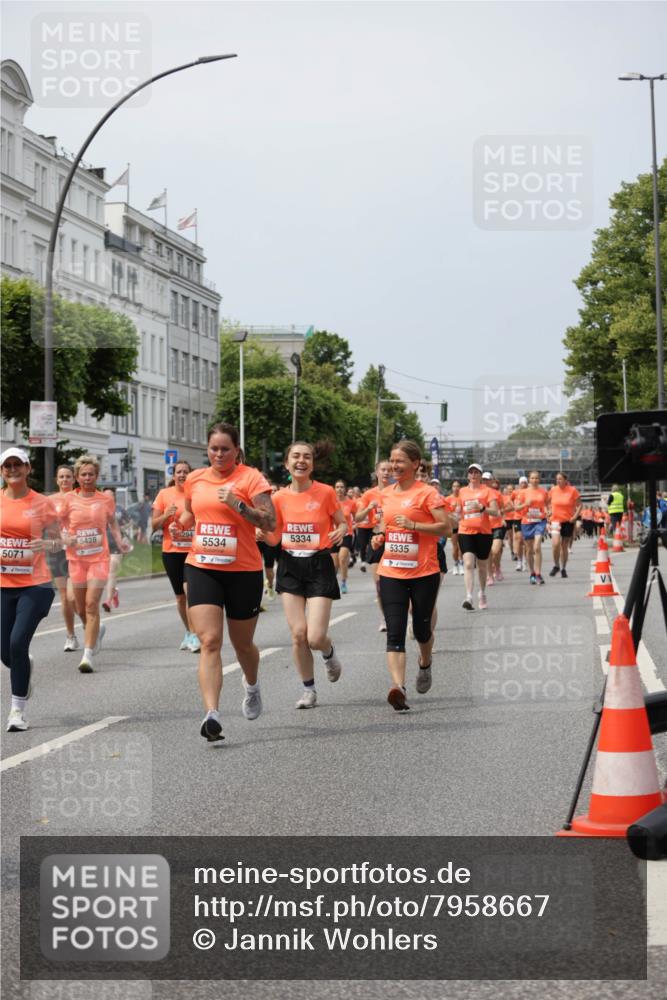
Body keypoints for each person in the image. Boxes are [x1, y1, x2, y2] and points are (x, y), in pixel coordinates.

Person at [178, 423, 275, 742]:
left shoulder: (250, 478)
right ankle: (212, 714)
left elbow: (270, 521)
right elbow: (191, 512)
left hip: (243, 569)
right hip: (202, 566)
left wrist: (238, 505)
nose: (219, 454)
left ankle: (252, 685)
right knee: (209, 640)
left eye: (225, 449)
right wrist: (182, 521)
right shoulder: (195, 479)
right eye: (213, 449)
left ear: (236, 451)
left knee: (242, 644)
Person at [258, 442, 346, 709]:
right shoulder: (279, 498)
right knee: (298, 634)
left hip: (318, 564)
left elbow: (342, 521)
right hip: (290, 564)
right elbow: (275, 539)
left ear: (312, 464)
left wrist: (341, 530)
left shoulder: (326, 493)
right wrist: (263, 535)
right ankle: (309, 690)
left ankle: (328, 653)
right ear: (286, 463)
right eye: (295, 456)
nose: (301, 461)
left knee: (315, 637)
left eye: (307, 457)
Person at [372, 439, 450, 711]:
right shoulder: (385, 493)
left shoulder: (427, 494)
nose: (394, 466)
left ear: (415, 464)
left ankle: (425, 664)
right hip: (391, 569)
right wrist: (380, 536)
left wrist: (415, 525)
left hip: (424, 571)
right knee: (394, 631)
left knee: (420, 630)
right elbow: (386, 522)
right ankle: (398, 687)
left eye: (400, 461)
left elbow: (446, 528)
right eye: (392, 461)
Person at [1, 448, 59, 732]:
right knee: (6, 652)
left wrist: (47, 545)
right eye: (7, 466)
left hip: (35, 586)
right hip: (3, 585)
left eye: (17, 465)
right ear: (1, 471)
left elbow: (62, 539)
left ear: (27, 468)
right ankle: (23, 666)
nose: (12, 470)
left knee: (17, 643)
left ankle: (17, 711)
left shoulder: (41, 503)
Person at [60, 455, 131, 673]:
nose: (87, 478)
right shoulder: (68, 500)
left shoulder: (105, 499)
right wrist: (64, 537)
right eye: (83, 474)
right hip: (76, 559)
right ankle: (96, 628)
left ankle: (88, 655)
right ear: (77, 477)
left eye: (91, 474)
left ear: (97, 476)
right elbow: (60, 526)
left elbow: (112, 522)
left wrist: (120, 540)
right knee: (76, 603)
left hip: (99, 558)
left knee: (91, 604)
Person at [152, 461, 200, 652]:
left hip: (193, 552)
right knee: (180, 597)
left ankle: (195, 635)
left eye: (185, 472)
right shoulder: (164, 495)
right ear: (173, 476)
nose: (182, 475)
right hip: (171, 552)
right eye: (178, 472)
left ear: (190, 475)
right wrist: (166, 516)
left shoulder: (196, 494)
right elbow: (154, 524)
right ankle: (188, 632)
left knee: (191, 593)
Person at [356, 460, 393, 628]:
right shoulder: (369, 495)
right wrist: (368, 508)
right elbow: (357, 518)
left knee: (399, 583)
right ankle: (384, 618)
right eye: (383, 470)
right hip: (376, 539)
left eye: (389, 470)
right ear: (377, 473)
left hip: (395, 539)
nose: (386, 473)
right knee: (379, 585)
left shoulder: (397, 492)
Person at [457, 463, 499, 610]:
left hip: (484, 532)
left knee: (482, 566)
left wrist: (482, 508)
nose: (473, 475)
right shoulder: (462, 491)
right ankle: (468, 596)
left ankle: (481, 592)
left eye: (476, 473)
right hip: (465, 531)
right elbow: (458, 510)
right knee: (468, 563)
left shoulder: (488, 491)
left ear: (481, 475)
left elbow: (496, 512)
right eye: (471, 472)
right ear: (468, 475)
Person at [48, 465, 80, 651]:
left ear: (73, 479)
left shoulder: (80, 498)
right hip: (57, 550)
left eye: (68, 476)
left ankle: (88, 622)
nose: (65, 480)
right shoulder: (49, 500)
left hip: (77, 550)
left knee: (75, 596)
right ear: (57, 480)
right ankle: (70, 636)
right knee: (64, 596)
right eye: (61, 477)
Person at [101, 487, 132, 613]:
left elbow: (130, 522)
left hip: (117, 545)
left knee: (111, 572)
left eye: (111, 495)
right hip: (101, 546)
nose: (108, 497)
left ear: (114, 496)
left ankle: (108, 601)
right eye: (106, 495)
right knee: (104, 575)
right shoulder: (98, 510)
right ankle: (114, 592)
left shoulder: (119, 509)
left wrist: (122, 527)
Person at [516, 470, 549, 584]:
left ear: (539, 480)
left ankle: (538, 573)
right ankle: (532, 573)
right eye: (532, 478)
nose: (535, 480)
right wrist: (526, 504)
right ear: (529, 480)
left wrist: (548, 511)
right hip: (527, 522)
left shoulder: (543, 492)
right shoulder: (523, 492)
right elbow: (516, 508)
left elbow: (547, 505)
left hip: (540, 521)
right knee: (529, 550)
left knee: (537, 547)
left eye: (537, 478)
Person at [547, 472, 581, 578]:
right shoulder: (553, 490)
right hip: (555, 521)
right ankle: (556, 565)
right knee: (555, 544)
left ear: (566, 480)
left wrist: (575, 517)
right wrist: (548, 512)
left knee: (564, 546)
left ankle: (563, 568)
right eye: (557, 479)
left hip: (568, 521)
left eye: (560, 479)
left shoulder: (572, 490)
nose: (558, 481)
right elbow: (546, 502)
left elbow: (580, 505)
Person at [334, 479, 356, 594]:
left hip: (347, 534)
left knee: (342, 558)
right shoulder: (331, 502)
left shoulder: (351, 503)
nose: (339, 489)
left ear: (345, 489)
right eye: (337, 487)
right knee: (334, 563)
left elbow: (357, 517)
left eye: (342, 487)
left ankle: (343, 582)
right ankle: (333, 583)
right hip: (333, 535)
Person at [444, 480, 463, 574]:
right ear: (452, 488)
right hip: (454, 526)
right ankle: (456, 564)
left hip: (463, 526)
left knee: (461, 546)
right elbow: (446, 513)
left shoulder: (463, 498)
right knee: (455, 547)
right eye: (454, 486)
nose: (456, 488)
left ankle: (461, 563)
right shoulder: (448, 499)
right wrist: (453, 517)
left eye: (458, 486)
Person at [512, 475, 528, 570]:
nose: (523, 484)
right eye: (522, 482)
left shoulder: (530, 492)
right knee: (518, 539)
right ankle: (519, 561)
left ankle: (525, 559)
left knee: (525, 541)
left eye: (525, 482)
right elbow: (509, 501)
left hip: (527, 518)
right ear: (519, 483)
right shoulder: (515, 492)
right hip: (517, 518)